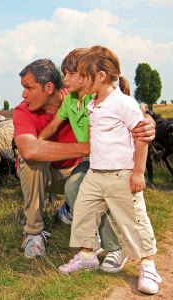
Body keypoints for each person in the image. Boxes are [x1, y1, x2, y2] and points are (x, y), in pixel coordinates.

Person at [13, 58, 155, 262]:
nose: (23, 94)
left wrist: (147, 122)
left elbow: (121, 108)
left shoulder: (84, 98)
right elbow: (29, 149)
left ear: (49, 87)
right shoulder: (23, 111)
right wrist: (89, 147)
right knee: (30, 162)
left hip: (81, 169)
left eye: (28, 87)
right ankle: (34, 233)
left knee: (86, 181)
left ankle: (109, 244)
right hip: (48, 176)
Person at [56, 46, 162, 295]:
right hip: (96, 172)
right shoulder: (93, 103)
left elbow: (141, 137)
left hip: (121, 174)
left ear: (101, 76)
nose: (80, 80)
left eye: (83, 75)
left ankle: (148, 265)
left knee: (134, 219)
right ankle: (87, 255)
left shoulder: (124, 103)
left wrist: (138, 172)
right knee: (83, 212)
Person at [38, 48, 127, 273]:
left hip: (110, 160)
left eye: (70, 74)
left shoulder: (93, 98)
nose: (64, 79)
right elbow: (53, 126)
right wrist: (36, 143)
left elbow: (121, 109)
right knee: (73, 187)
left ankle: (115, 248)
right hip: (91, 159)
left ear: (86, 75)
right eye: (64, 74)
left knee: (88, 190)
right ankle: (93, 240)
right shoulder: (70, 102)